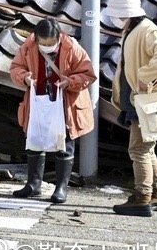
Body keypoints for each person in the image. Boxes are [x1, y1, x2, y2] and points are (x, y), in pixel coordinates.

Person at [9, 17, 97, 204]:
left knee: (64, 144)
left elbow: (88, 73)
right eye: (43, 43)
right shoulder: (29, 46)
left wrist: (70, 82)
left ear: (59, 37)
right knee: (34, 140)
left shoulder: (72, 47)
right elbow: (16, 68)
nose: (47, 46)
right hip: (38, 101)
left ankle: (61, 187)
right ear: (36, 38)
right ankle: (33, 184)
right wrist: (25, 78)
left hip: (65, 103)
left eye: (51, 43)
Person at [105, 0, 157, 217]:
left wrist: (145, 75)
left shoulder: (146, 30)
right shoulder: (136, 28)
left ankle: (142, 197)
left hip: (145, 100)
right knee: (147, 148)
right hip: (139, 99)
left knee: (138, 149)